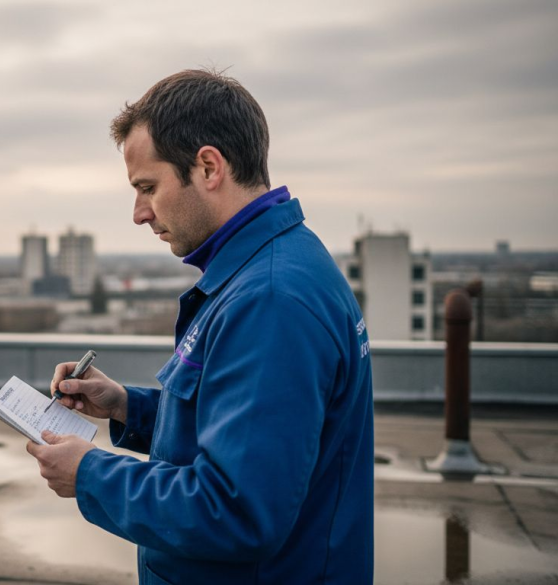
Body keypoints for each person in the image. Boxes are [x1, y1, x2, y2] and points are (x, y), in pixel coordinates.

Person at [26, 69, 374, 584]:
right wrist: (126, 406)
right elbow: (235, 428)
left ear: (209, 167)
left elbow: (237, 512)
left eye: (148, 187)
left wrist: (91, 474)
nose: (139, 213)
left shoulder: (269, 299)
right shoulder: (270, 267)